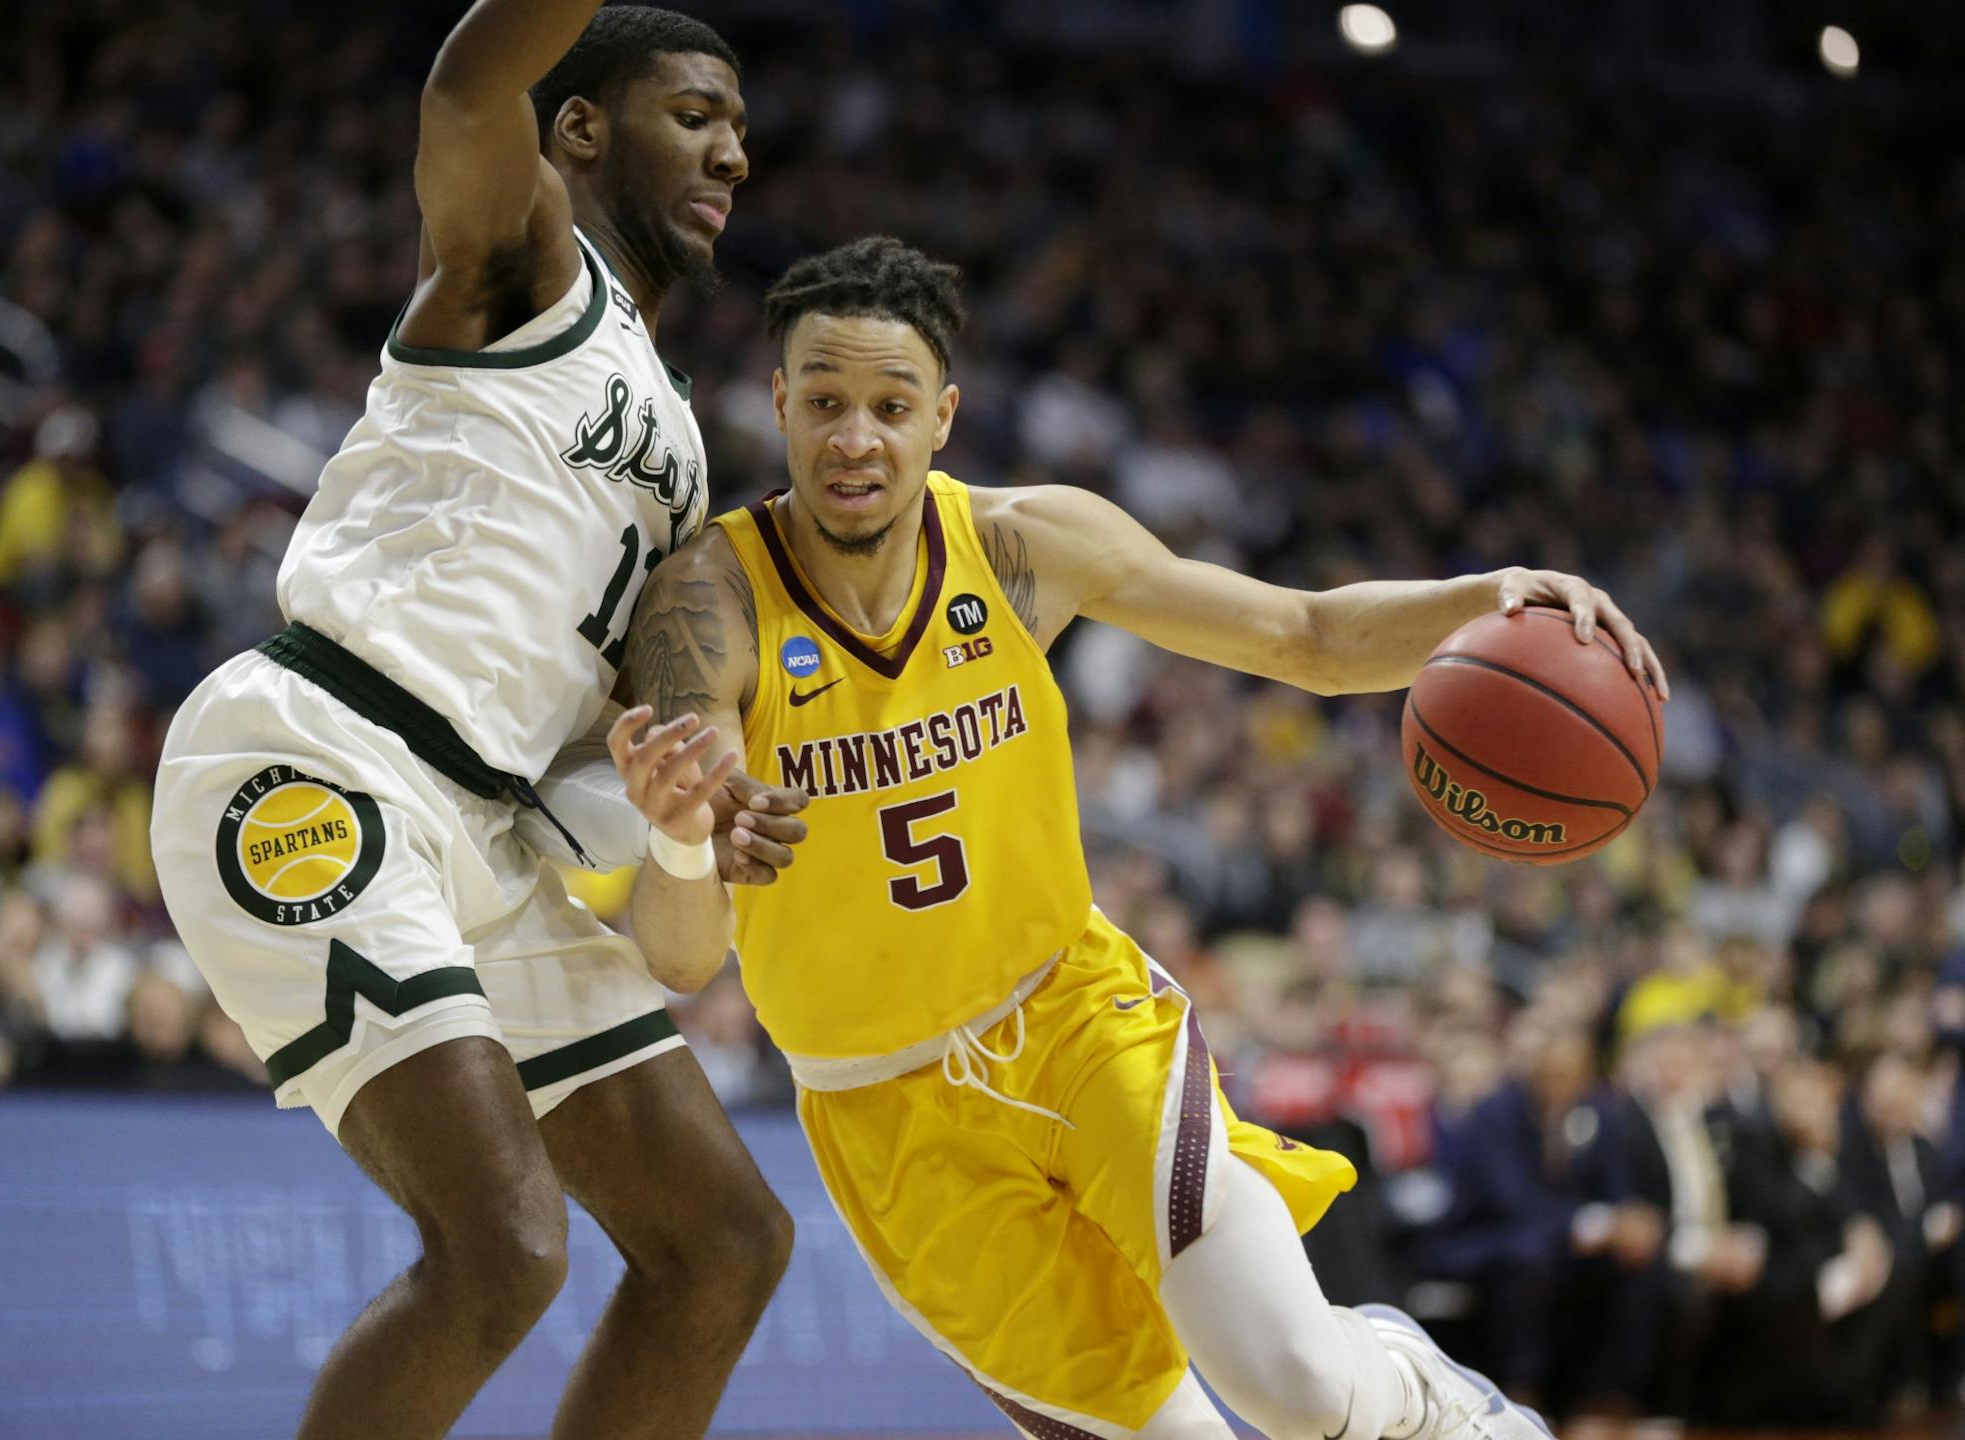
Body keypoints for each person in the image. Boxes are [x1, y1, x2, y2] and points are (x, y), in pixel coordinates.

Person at [608, 236, 1669, 1439]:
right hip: (881, 1111)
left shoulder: (1023, 544)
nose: (858, 436)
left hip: (1076, 1019)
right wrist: (686, 836)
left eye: (892, 405)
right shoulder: (709, 605)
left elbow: (1307, 638)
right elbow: (683, 958)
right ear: (781, 403)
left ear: (943, 417)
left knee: (1295, 1386)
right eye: (828, 402)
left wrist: (1486, 599)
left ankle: (1426, 1394)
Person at [148, 7, 806, 1439]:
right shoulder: (528, 263)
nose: (734, 152)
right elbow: (465, 83)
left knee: (727, 1244)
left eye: (740, 126)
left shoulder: (682, 440)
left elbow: (600, 737)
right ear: (577, 132)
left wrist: (692, 791)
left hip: (485, 824)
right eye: (694, 114)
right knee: (501, 1250)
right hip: (322, 749)